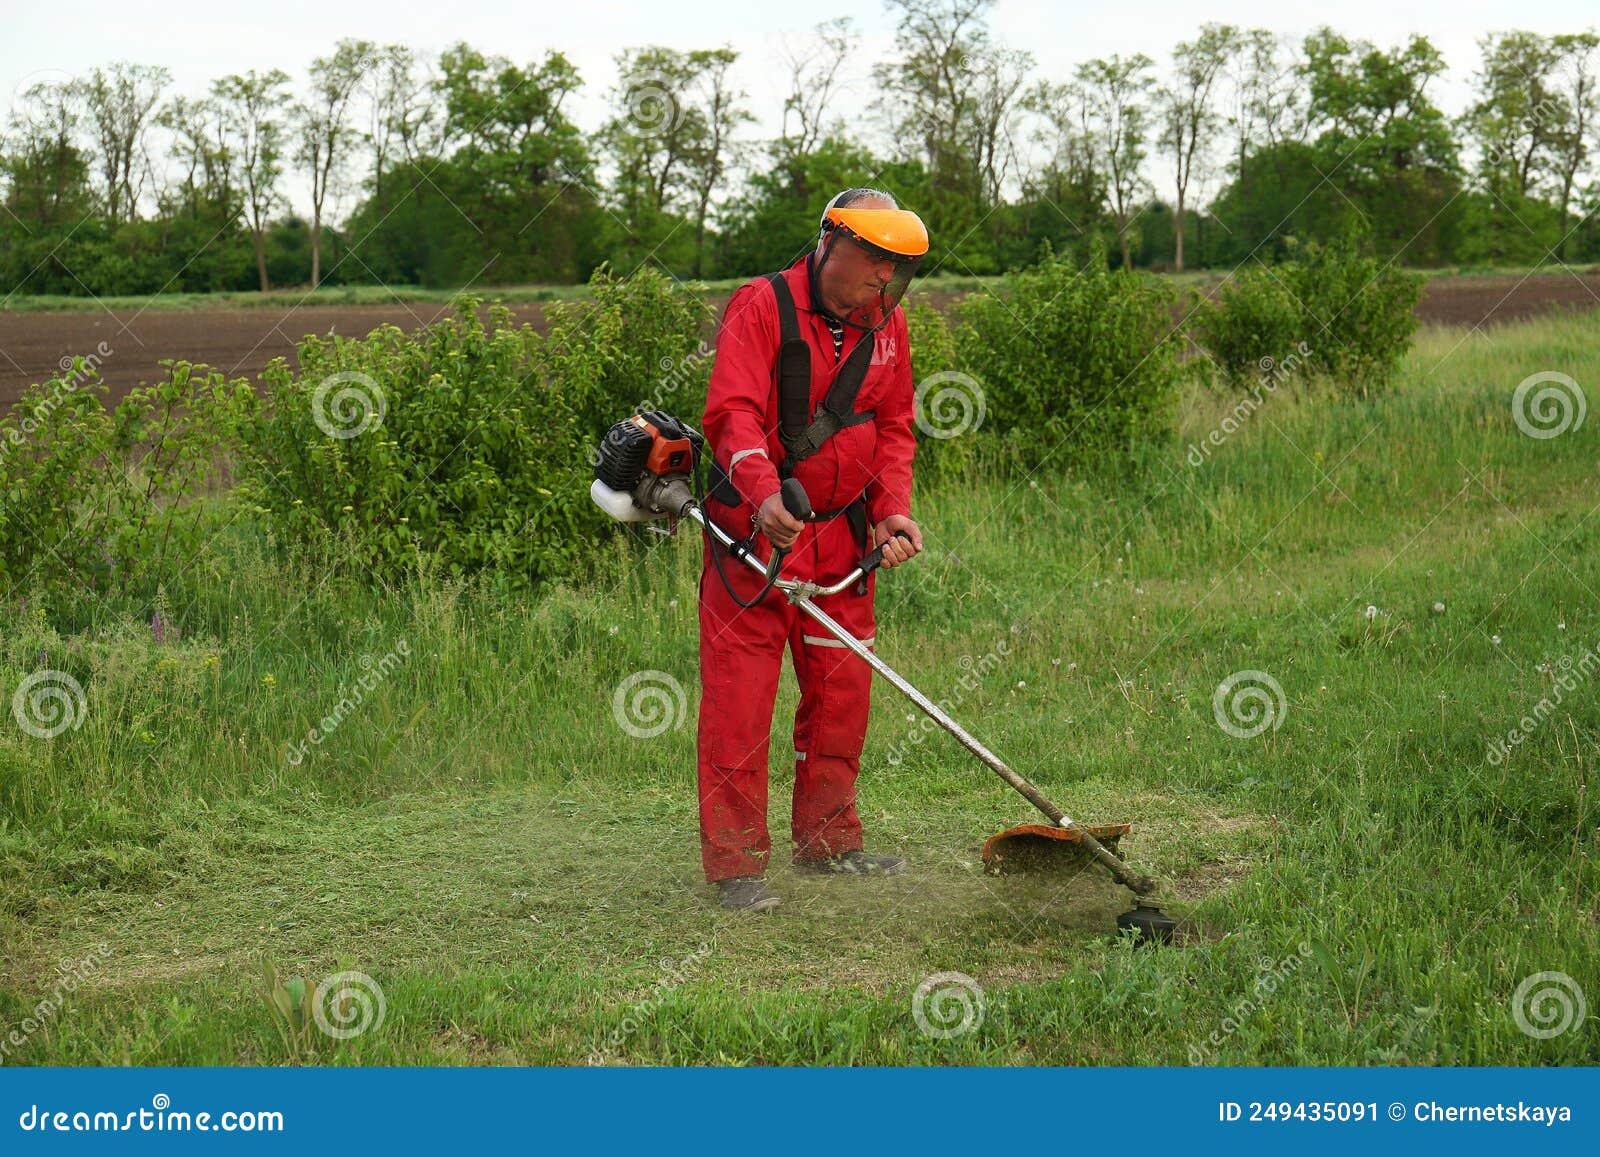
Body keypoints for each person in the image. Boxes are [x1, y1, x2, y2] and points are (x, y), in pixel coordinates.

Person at [697, 187, 928, 912]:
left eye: (896, 268)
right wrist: (763, 492)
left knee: (841, 696)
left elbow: (894, 430)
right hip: (754, 536)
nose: (883, 280)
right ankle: (735, 865)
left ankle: (829, 841)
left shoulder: (888, 328)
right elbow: (730, 412)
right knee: (741, 700)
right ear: (830, 244)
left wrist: (890, 513)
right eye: (873, 260)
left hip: (845, 536)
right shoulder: (760, 306)